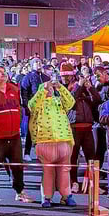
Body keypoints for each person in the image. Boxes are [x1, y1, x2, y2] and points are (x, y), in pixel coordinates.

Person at [28, 75, 75, 207]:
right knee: (48, 171)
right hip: (44, 141)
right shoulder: (38, 104)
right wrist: (43, 90)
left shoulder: (58, 101)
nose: (49, 90)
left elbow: (71, 102)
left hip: (63, 140)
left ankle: (66, 195)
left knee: (64, 170)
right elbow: (32, 105)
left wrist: (60, 87)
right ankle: (46, 197)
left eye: (50, 88)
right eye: (46, 88)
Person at [0, 64, 29, 203]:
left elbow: (18, 107)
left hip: (14, 135)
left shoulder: (13, 88)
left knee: (18, 165)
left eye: (4, 72)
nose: (3, 74)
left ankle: (19, 191)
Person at [65, 65, 100, 192]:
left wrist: (90, 87)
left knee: (91, 157)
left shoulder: (86, 92)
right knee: (73, 157)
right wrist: (79, 85)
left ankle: (92, 182)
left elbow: (97, 100)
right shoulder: (69, 88)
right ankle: (73, 182)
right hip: (74, 127)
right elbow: (71, 100)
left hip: (88, 128)